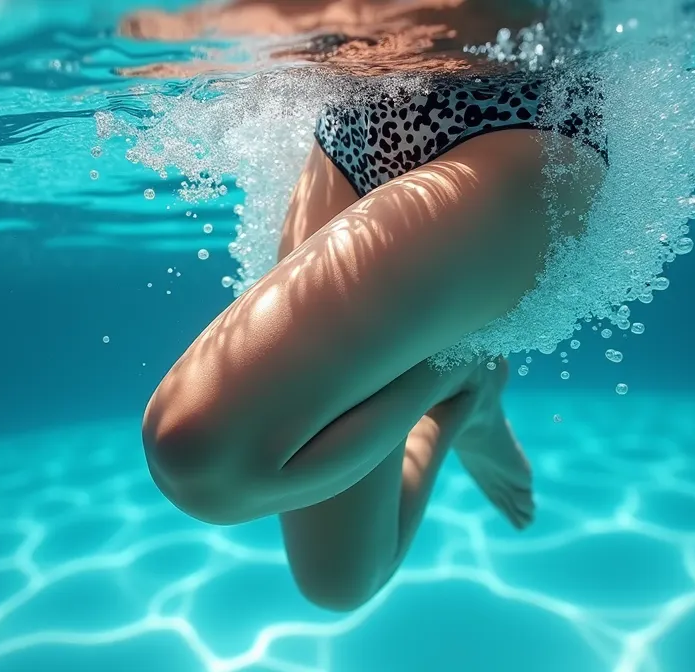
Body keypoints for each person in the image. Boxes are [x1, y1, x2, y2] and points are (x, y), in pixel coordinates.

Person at [125, 0, 606, 612]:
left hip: (521, 115)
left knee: (202, 455)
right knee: (339, 582)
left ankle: (454, 375)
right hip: (357, 124)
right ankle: (461, 394)